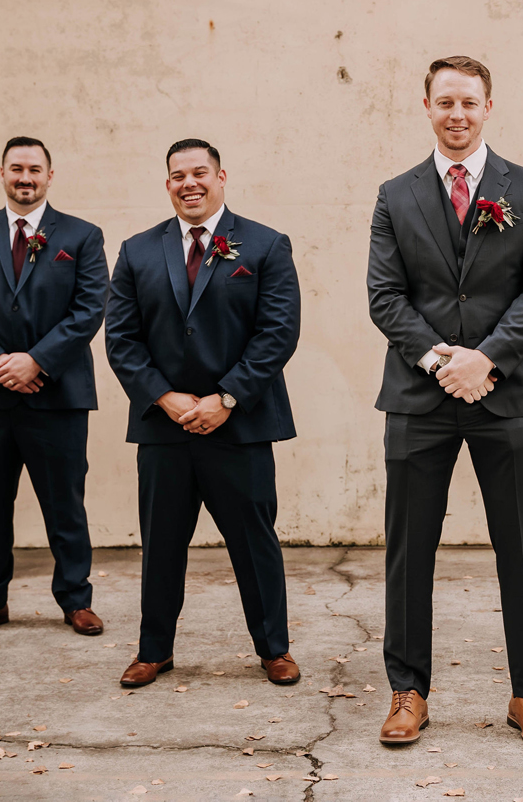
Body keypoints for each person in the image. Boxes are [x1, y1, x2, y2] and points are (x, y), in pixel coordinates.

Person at [367, 56, 523, 747]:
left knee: (521, 546)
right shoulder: (396, 194)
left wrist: (485, 359)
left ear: (488, 107)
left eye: (469, 102)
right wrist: (441, 360)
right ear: (426, 105)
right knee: (408, 550)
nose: (457, 113)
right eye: (445, 100)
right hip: (419, 398)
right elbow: (385, 297)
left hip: (506, 394)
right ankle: (407, 691)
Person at [104, 139, 303, 689]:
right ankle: (154, 649)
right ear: (167, 184)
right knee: (161, 542)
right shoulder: (138, 250)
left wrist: (227, 398)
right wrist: (165, 399)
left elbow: (278, 332)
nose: (189, 183)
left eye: (199, 173)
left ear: (221, 176)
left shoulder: (264, 245)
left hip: (238, 425)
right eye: (177, 175)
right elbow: (121, 339)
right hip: (163, 428)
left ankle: (274, 648)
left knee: (254, 542)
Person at [0, 136, 109, 640]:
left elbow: (88, 308)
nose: (25, 177)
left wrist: (36, 361)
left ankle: (76, 600)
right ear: (2, 173)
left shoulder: (82, 236)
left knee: (65, 503)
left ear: (50, 176)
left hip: (57, 395)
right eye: (17, 168)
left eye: (35, 168)